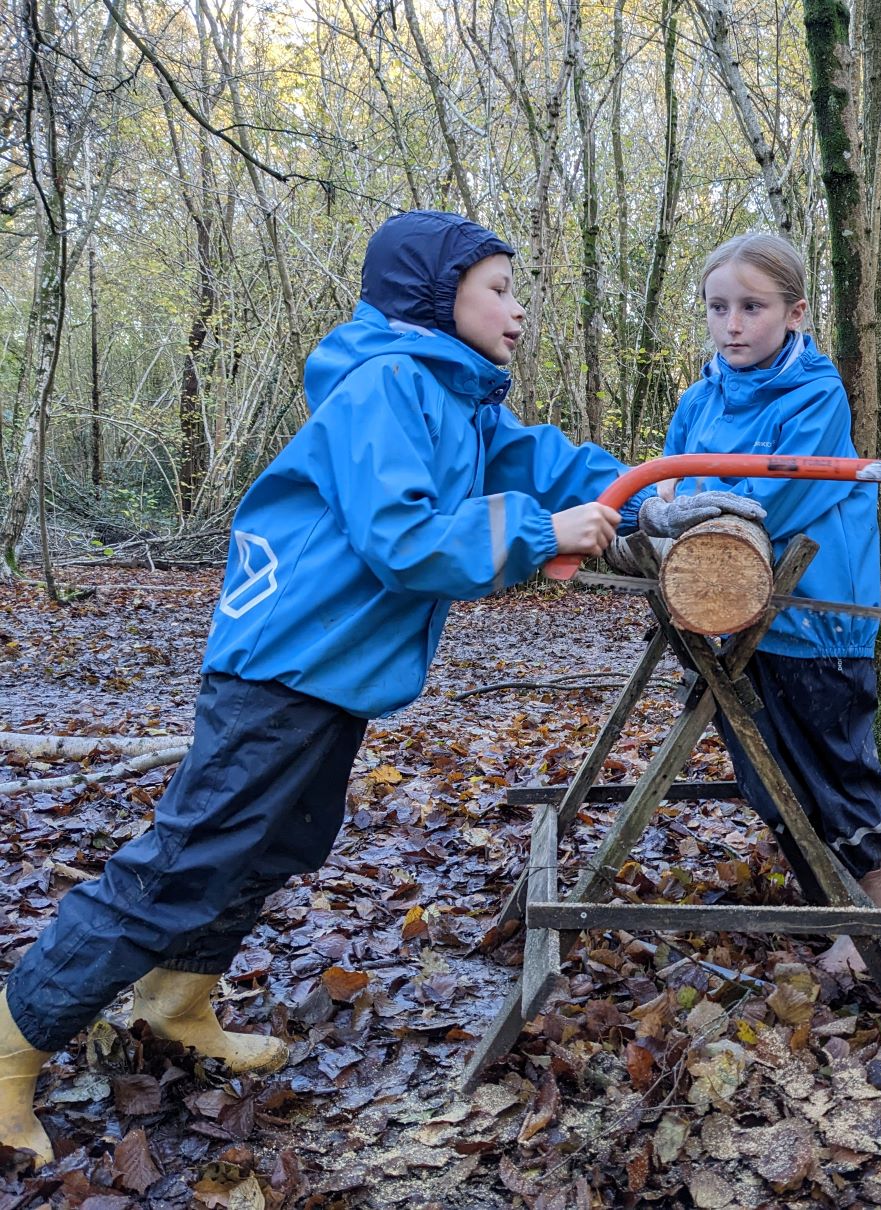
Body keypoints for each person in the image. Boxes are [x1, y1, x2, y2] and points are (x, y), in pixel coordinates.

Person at [0, 210, 754, 1167]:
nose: (517, 311)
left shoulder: (461, 398)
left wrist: (649, 495)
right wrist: (541, 533)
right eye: (498, 289)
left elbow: (550, 463)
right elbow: (404, 537)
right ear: (438, 298)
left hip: (332, 672)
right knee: (187, 856)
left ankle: (177, 999)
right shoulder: (386, 384)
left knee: (275, 840)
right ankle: (14, 1040)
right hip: (282, 665)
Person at [661, 232, 881, 974]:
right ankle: (858, 877)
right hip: (726, 612)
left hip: (814, 611)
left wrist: (695, 509)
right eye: (718, 307)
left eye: (752, 306)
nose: (732, 324)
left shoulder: (815, 392)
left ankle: (875, 897)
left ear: (795, 312)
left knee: (834, 763)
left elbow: (774, 501)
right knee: (761, 765)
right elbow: (669, 485)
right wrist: (664, 509)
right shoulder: (699, 396)